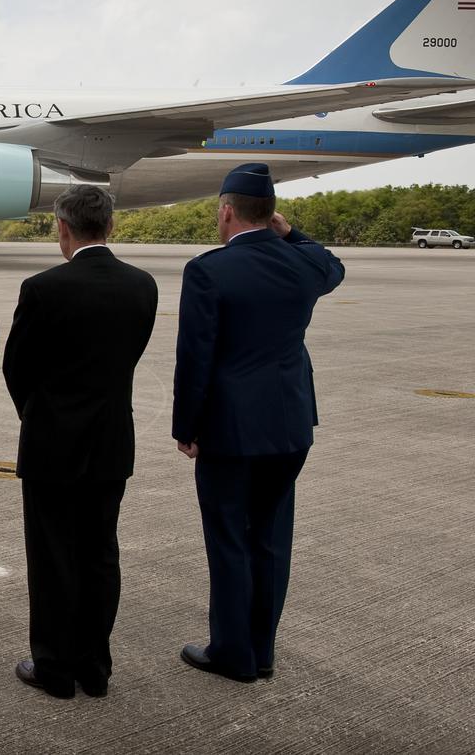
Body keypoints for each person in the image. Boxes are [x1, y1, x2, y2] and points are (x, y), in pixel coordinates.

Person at [172, 163, 345, 683]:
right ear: (272, 216)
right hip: (291, 425)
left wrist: (187, 427)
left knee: (228, 538)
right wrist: (291, 234)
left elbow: (195, 358)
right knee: (269, 539)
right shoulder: (305, 265)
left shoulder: (208, 270)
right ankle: (261, 650)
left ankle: (232, 654)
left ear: (226, 212)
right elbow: (332, 262)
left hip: (230, 429)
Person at [2, 184, 158, 699]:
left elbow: (17, 367)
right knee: (99, 552)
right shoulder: (142, 286)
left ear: (62, 228)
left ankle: (54, 666)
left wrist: (40, 415)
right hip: (112, 438)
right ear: (110, 226)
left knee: (52, 556)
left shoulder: (44, 287)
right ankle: (95, 665)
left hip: (52, 442)